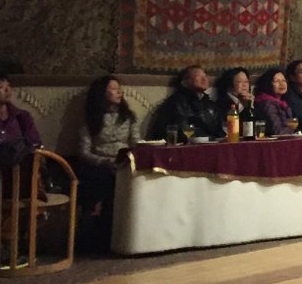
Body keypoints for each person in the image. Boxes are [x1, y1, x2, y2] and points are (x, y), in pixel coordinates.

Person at [75, 75, 141, 248]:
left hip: (124, 161)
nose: (119, 92)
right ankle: (101, 235)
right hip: (99, 164)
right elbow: (83, 151)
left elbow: (135, 142)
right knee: (104, 180)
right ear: (101, 93)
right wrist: (104, 162)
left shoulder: (128, 117)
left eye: (119, 88)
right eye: (113, 88)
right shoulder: (91, 119)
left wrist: (130, 158)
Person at [148, 66, 221, 141]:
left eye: (205, 76)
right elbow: (182, 131)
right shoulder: (176, 102)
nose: (204, 79)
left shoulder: (210, 104)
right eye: (198, 76)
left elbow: (219, 131)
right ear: (185, 83)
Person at [254, 68, 298, 135]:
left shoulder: (283, 102)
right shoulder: (267, 103)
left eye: (283, 80)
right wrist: (292, 128)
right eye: (277, 81)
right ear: (268, 84)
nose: (282, 84)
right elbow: (278, 132)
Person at [215, 67, 254, 134]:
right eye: (240, 81)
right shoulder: (222, 104)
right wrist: (246, 108)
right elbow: (236, 128)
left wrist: (251, 105)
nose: (244, 85)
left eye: (246, 82)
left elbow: (265, 125)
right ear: (229, 84)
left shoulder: (249, 100)